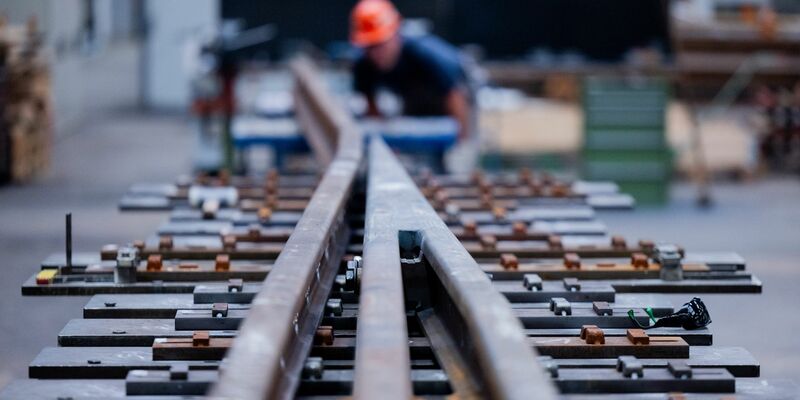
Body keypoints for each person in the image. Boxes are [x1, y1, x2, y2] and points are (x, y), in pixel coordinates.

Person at [350, 0, 473, 141]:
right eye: (370, 47)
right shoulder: (363, 64)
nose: (376, 53)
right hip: (414, 99)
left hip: (457, 96)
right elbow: (371, 108)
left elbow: (454, 94)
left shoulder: (424, 54)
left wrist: (460, 141)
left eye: (380, 45)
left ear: (395, 35)